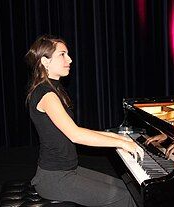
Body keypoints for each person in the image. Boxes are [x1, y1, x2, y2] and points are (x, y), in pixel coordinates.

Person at [25, 34, 144, 207]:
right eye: (62, 54)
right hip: (54, 178)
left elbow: (75, 129)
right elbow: (76, 135)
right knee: (128, 198)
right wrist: (123, 144)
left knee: (132, 190)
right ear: (45, 61)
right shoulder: (46, 94)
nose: (70, 59)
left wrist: (121, 139)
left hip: (68, 171)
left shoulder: (54, 90)